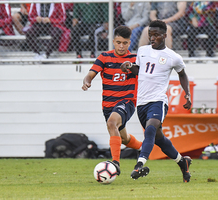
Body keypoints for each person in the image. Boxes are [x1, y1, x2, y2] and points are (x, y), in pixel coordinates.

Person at [121, 20, 192, 182]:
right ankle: (183, 163)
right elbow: (139, 70)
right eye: (150, 35)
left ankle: (139, 164)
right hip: (141, 103)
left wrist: (187, 94)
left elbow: (182, 74)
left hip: (158, 101)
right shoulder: (142, 51)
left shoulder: (173, 57)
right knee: (160, 139)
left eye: (156, 35)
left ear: (165, 35)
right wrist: (128, 66)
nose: (152, 38)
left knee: (150, 130)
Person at [82, 26, 143, 175]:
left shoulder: (135, 59)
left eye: (125, 43)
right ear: (113, 41)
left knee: (112, 123)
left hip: (127, 101)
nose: (121, 46)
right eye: (118, 42)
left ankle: (115, 163)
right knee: (124, 138)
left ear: (129, 43)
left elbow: (139, 71)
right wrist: (87, 81)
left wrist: (131, 68)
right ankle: (145, 148)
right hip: (108, 105)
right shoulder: (104, 57)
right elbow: (90, 74)